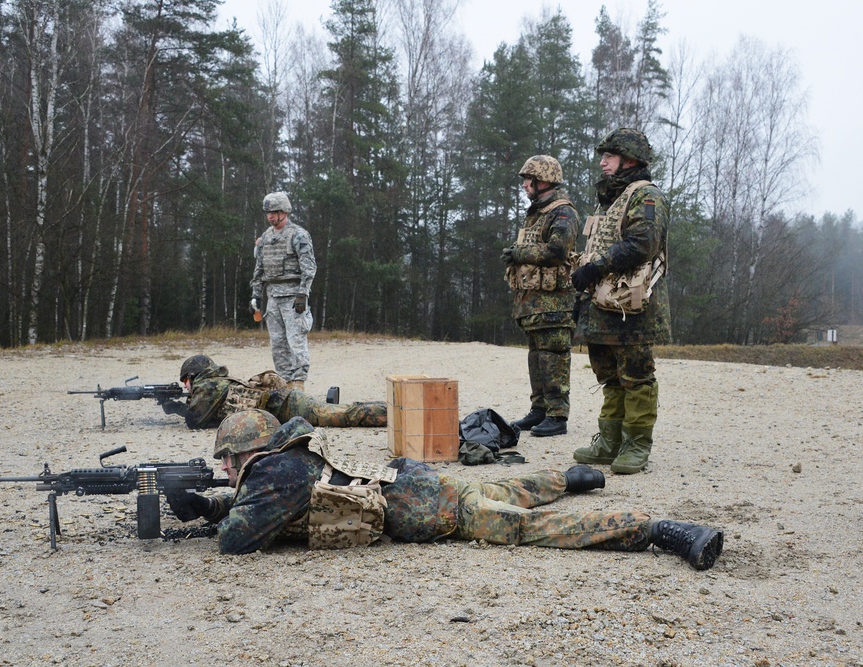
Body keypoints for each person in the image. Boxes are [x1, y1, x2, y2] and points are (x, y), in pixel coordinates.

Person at [167, 409, 725, 571]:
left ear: (247, 455)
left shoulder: (272, 474)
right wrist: (213, 503)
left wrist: (218, 514)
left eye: (227, 463)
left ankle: (660, 530)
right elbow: (273, 508)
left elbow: (238, 541)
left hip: (440, 511)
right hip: (424, 482)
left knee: (523, 525)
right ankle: (575, 477)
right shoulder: (292, 460)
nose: (225, 469)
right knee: (501, 485)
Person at [570, 128, 670, 475]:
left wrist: (597, 265)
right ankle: (610, 441)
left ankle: (637, 444)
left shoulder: (646, 196)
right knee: (609, 376)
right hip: (602, 305)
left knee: (636, 375)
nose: (602, 162)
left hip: (633, 307)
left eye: (609, 156)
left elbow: (642, 243)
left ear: (629, 160)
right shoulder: (610, 200)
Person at [502, 155, 580, 438]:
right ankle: (539, 410)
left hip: (555, 304)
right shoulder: (538, 212)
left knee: (554, 357)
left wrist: (518, 253)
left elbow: (558, 250)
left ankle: (557, 415)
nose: (524, 185)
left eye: (528, 179)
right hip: (534, 304)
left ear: (542, 180)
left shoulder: (563, 212)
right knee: (536, 357)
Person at [160, 354, 386, 430]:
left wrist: (177, 408)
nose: (185, 387)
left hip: (287, 404)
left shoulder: (208, 386)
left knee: (340, 415)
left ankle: (393, 413)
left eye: (185, 381)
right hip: (286, 404)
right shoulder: (213, 384)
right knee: (337, 411)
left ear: (194, 375)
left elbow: (195, 420)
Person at [250, 192, 317, 390]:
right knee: (278, 344)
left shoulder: (299, 235)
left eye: (275, 212)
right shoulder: (265, 239)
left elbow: (309, 268)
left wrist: (302, 294)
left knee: (296, 341)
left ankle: (298, 384)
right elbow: (259, 270)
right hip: (273, 298)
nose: (271, 216)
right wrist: (255, 295)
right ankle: (284, 384)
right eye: (268, 212)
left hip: (293, 297)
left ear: (284, 211)